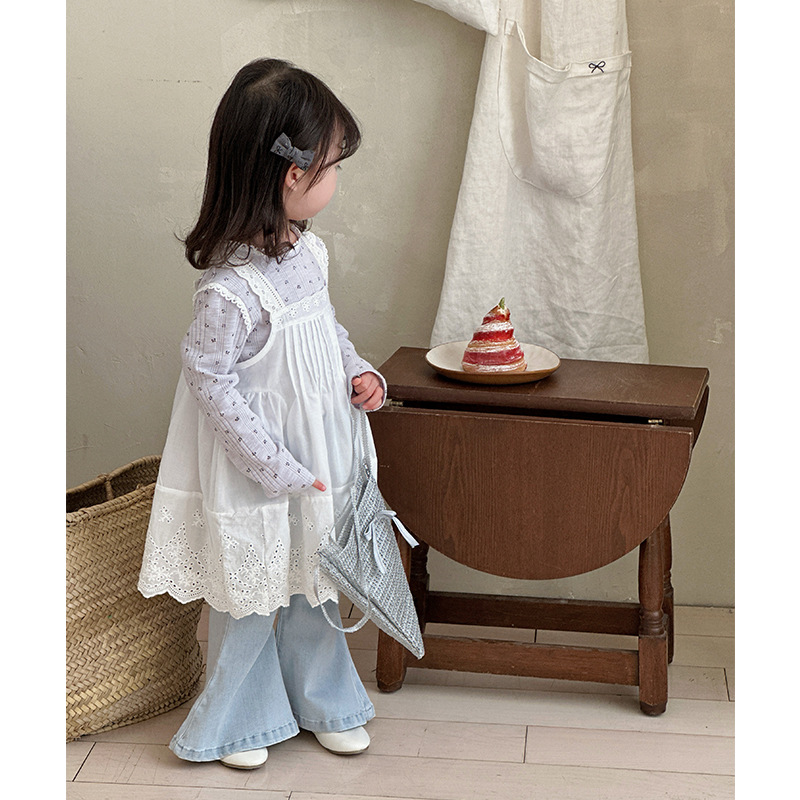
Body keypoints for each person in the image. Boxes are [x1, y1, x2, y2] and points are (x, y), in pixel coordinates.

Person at [138, 58, 387, 770]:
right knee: (249, 593)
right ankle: (240, 717)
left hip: (319, 450)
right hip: (262, 464)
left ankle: (324, 699)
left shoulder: (310, 253)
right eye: (332, 166)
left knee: (315, 580)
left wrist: (358, 370)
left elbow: (323, 330)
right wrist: (272, 466)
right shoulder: (229, 290)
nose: (337, 180)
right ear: (292, 175)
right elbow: (210, 382)